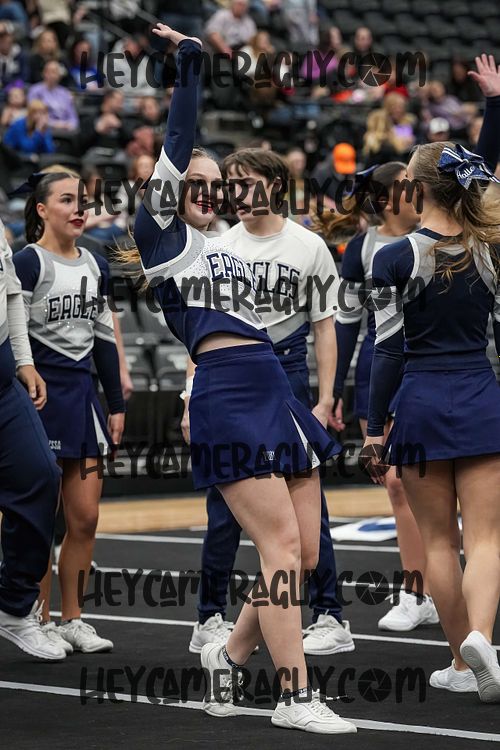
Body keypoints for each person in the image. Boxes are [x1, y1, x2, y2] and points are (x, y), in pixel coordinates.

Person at [123, 23, 357, 734]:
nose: (207, 190)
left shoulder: (221, 244)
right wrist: (191, 62)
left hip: (276, 391)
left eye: (214, 184)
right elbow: (178, 136)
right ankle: (294, 695)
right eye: (192, 182)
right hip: (227, 390)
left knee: (304, 553)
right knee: (279, 549)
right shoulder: (163, 239)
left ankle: (226, 655)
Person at [364, 54, 500, 703]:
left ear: (414, 190)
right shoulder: (490, 249)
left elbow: (386, 351)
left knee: (438, 541)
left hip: (419, 399)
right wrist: (494, 107)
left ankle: (461, 662)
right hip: (481, 395)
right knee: (488, 538)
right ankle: (482, 639)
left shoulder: (393, 257)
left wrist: (373, 426)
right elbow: (481, 179)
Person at [182, 147, 354, 657]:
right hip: (230, 376)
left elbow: (325, 326)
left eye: (245, 182)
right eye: (229, 184)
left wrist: (326, 396)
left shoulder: (308, 245)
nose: (234, 193)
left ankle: (329, 613)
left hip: (288, 373)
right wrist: (190, 396)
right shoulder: (219, 245)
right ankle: (210, 617)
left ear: (276, 185)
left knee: (307, 512)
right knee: (224, 507)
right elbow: (201, 334)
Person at [321, 162, 439, 631]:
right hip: (381, 366)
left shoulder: (439, 235)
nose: (422, 192)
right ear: (390, 200)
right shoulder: (363, 248)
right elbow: (347, 323)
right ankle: (417, 593)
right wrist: (334, 389)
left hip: (431, 364)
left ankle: (443, 582)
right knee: (396, 484)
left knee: (434, 483)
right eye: (412, 187)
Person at [13, 169, 126, 654]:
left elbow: (103, 339)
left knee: (85, 518)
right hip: (37, 400)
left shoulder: (96, 263)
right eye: (66, 200)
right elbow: (12, 334)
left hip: (82, 398)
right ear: (42, 210)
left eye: (82, 200)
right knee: (41, 517)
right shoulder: (27, 263)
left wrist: (116, 404)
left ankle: (73, 618)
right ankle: (34, 618)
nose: (79, 208)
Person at [0, 217, 63, 661]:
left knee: (41, 475)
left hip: (4, 380)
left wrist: (24, 360)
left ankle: (14, 605)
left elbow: (11, 297)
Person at [28, 60, 79, 131]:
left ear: (59, 75)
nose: (52, 75)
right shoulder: (35, 90)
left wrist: (69, 125)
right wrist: (54, 124)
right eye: (49, 71)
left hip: (65, 130)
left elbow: (73, 118)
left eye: (55, 72)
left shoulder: (65, 93)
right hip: (44, 129)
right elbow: (33, 115)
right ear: (44, 73)